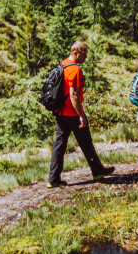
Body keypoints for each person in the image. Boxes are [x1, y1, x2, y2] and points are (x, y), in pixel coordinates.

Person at [46, 41, 115, 187]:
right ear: (75, 53)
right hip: (72, 113)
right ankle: (97, 171)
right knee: (86, 142)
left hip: (60, 112)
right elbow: (74, 95)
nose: (86, 57)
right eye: (84, 53)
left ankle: (53, 179)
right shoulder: (75, 69)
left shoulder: (63, 64)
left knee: (59, 145)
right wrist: (81, 115)